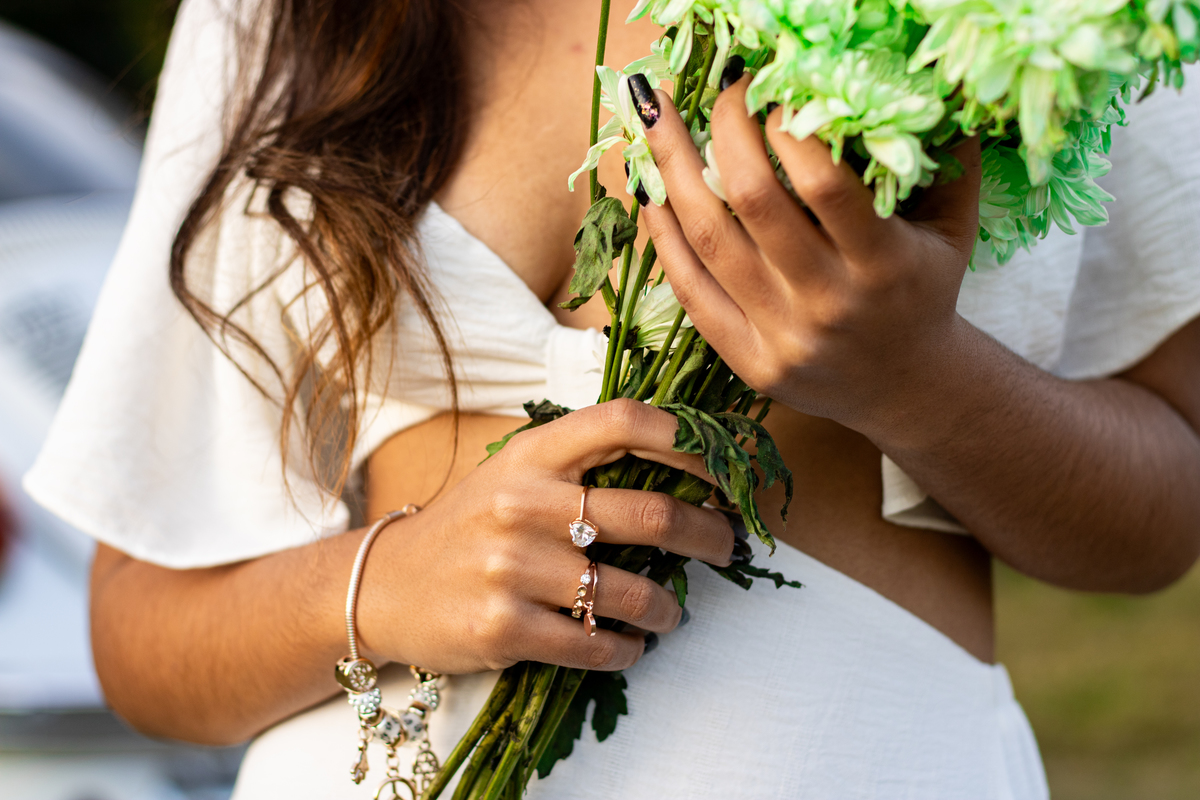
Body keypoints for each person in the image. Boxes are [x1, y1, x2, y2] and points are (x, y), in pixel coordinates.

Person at [24, 0, 1200, 797]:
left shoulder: (1059, 19)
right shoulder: (283, 15)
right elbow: (139, 628)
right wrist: (384, 582)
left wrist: (919, 379)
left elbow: (1166, 505)